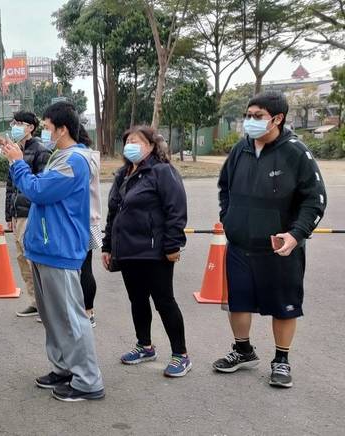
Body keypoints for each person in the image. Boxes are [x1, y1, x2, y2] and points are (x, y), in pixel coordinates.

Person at [214, 91, 326, 388]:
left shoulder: (296, 152)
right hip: (239, 245)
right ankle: (243, 350)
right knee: (238, 303)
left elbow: (315, 200)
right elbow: (224, 186)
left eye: (256, 116)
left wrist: (295, 234)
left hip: (279, 249)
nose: (249, 122)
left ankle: (282, 359)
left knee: (283, 305)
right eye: (247, 116)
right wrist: (228, 218)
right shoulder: (241, 149)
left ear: (277, 119)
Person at [0, 101, 105, 402]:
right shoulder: (63, 156)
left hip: (58, 247)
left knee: (70, 317)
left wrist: (18, 162)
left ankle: (88, 379)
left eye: (46, 128)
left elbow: (37, 191)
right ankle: (63, 368)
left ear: (62, 129)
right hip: (47, 247)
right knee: (53, 317)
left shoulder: (74, 160)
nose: (44, 133)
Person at [101, 125, 191, 378]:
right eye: (128, 140)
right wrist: (108, 246)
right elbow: (113, 213)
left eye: (138, 141)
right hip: (128, 251)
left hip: (155, 252)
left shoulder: (162, 172)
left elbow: (176, 210)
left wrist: (173, 245)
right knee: (137, 300)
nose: (131, 144)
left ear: (151, 146)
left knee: (164, 301)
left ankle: (180, 355)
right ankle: (145, 346)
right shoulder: (123, 174)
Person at [5, 111, 52, 318]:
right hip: (17, 214)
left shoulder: (41, 152)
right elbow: (10, 186)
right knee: (22, 259)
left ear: (31, 128)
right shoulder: (14, 151)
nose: (15, 126)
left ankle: (47, 306)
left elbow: (43, 186)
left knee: (35, 260)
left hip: (31, 213)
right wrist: (9, 215)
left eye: (20, 123)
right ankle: (34, 301)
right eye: (13, 122)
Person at [74, 124, 102, 328]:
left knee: (83, 268)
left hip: (82, 220)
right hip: (89, 220)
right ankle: (85, 310)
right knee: (84, 267)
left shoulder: (82, 157)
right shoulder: (87, 155)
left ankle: (88, 311)